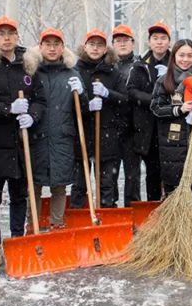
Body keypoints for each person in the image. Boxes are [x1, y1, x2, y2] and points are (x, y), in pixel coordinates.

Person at [0, 16, 46, 266]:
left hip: (21, 143)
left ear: (17, 37)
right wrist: (8, 109)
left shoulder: (27, 66)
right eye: (1, 33)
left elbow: (40, 100)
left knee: (19, 195)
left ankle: (17, 239)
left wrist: (32, 115)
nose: (6, 38)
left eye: (10, 33)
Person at [28, 28, 86, 229]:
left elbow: (83, 109)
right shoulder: (32, 73)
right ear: (40, 47)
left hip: (62, 138)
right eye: (47, 44)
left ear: (63, 48)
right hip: (37, 137)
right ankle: (32, 224)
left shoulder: (72, 74)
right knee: (34, 184)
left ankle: (57, 224)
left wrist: (82, 93)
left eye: (56, 45)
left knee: (59, 185)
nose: (52, 49)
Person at [72, 28, 128, 208]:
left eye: (99, 45)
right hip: (82, 135)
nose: (95, 48)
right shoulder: (75, 71)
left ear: (105, 49)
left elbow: (125, 99)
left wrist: (107, 93)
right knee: (80, 184)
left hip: (107, 135)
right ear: (85, 47)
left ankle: (107, 215)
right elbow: (68, 105)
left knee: (106, 183)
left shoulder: (113, 72)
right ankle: (79, 216)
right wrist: (85, 104)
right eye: (92, 44)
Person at [150, 39, 192, 202]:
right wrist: (179, 109)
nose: (185, 59)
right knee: (173, 191)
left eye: (190, 55)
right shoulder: (164, 81)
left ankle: (191, 218)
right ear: (174, 56)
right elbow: (156, 108)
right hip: (171, 145)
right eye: (181, 55)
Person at [126, 22, 171, 201]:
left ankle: (172, 207)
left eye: (163, 38)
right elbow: (131, 90)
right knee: (152, 172)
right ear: (149, 42)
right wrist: (153, 101)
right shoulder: (140, 65)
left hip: (170, 124)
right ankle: (153, 206)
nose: (159, 42)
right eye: (155, 38)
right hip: (148, 128)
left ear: (169, 41)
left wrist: (171, 78)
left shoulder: (177, 62)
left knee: (171, 170)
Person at [111, 24, 141, 206]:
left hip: (132, 128)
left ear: (133, 43)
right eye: (118, 40)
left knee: (132, 175)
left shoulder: (139, 66)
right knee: (109, 175)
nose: (122, 44)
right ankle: (111, 210)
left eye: (125, 40)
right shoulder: (107, 66)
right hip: (111, 128)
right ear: (113, 44)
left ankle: (133, 209)